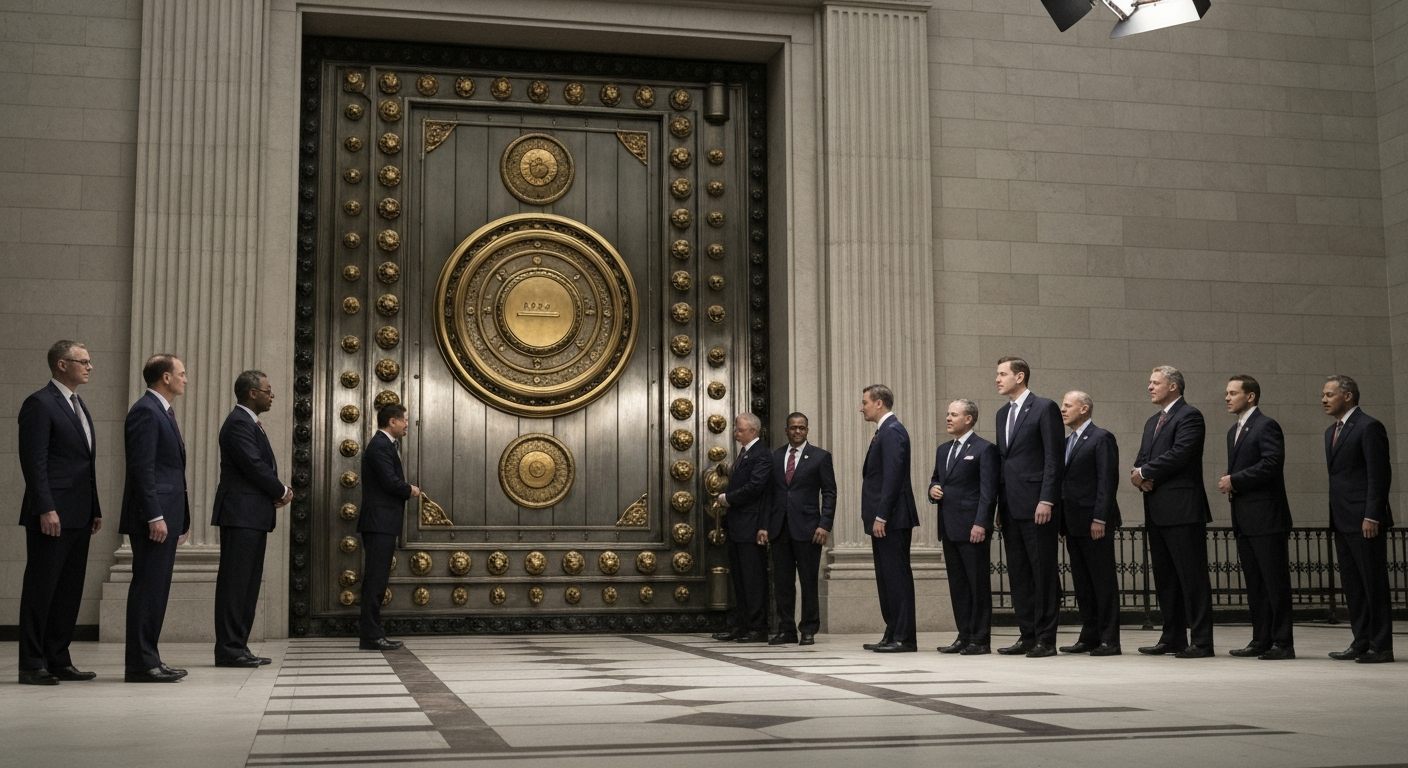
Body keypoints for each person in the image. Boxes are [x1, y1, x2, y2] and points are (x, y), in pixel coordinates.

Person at [16, 341, 102, 685]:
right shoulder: (39, 404)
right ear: (61, 365)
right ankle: (32, 662)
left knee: (68, 591)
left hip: (80, 514)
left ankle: (58, 658)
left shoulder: (78, 405)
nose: (90, 366)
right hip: (51, 515)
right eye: (83, 361)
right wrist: (45, 507)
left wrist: (95, 507)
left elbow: (86, 464)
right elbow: (34, 462)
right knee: (42, 588)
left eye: (90, 361)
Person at [1131, 365, 1214, 658]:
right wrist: (1140, 474)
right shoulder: (1153, 421)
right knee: (1166, 578)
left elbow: (1181, 453)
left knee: (1191, 577)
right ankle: (1172, 636)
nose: (1150, 387)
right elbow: (1143, 457)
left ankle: (1202, 641)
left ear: (1174, 387)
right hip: (1156, 507)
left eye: (1156, 383)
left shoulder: (1189, 416)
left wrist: (1145, 472)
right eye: (1150, 382)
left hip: (1183, 508)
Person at [212, 370, 293, 667]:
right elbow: (253, 465)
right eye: (268, 390)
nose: (272, 396)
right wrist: (282, 490)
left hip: (252, 514)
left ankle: (239, 645)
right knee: (236, 583)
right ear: (252, 393)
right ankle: (229, 648)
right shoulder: (238, 423)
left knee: (247, 584)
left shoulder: (250, 423)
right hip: (240, 514)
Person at [121, 354, 192, 682]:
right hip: (153, 519)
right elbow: (142, 469)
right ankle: (140, 663)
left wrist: (182, 517)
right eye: (181, 373)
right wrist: (155, 515)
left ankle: (149, 658)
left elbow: (170, 471)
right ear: (165, 377)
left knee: (156, 590)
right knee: (148, 589)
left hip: (166, 516)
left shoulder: (162, 411)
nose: (185, 379)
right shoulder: (146, 411)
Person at [1218, 376, 1294, 660]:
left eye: (1233, 393)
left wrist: (1234, 480)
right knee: (1255, 584)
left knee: (1275, 584)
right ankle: (1260, 639)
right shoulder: (1232, 431)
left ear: (1250, 396)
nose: (1227, 397)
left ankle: (1283, 642)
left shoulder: (1266, 425)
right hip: (1245, 518)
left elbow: (1272, 463)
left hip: (1266, 517)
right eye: (1226, 393)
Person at [992, 357, 1063, 658]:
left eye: (1002, 374)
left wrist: (1046, 498)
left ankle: (1046, 639)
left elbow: (1053, 458)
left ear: (1020, 377)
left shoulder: (1044, 408)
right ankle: (1026, 634)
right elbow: (1003, 462)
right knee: (1019, 572)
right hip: (1010, 504)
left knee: (1042, 571)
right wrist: (998, 504)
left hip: (1037, 503)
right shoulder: (1000, 414)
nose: (997, 379)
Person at [1322, 375, 1394, 664]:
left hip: (1364, 521)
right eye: (1323, 395)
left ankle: (1382, 646)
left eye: (1329, 394)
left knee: (1372, 585)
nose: (1324, 399)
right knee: (1353, 586)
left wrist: (1371, 515)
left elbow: (1379, 475)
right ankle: (1360, 640)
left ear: (1348, 395)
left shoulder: (1369, 426)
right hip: (1341, 519)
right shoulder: (1331, 432)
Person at [928, 399, 997, 656]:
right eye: (947, 414)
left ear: (968, 419)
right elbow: (937, 478)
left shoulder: (984, 449)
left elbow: (988, 492)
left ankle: (980, 639)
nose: (948, 418)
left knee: (976, 585)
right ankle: (964, 635)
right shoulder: (943, 449)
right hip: (949, 526)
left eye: (953, 414)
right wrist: (932, 489)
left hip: (972, 528)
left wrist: (981, 523)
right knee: (958, 585)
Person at [1057, 391, 1122, 656]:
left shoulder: (1101, 437)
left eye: (1068, 405)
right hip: (1072, 523)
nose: (1063, 409)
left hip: (1094, 522)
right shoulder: (1065, 442)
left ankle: (1110, 639)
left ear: (1084, 409)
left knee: (1102, 582)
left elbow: (1107, 481)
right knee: (1082, 582)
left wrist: (1099, 518)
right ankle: (1089, 634)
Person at [859, 384, 919, 653]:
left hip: (892, 518)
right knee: (886, 578)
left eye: (865, 402)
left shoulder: (893, 431)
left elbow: (893, 478)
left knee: (896, 577)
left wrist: (882, 515)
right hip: (883, 518)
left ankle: (904, 637)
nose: (862, 407)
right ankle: (892, 631)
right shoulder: (884, 431)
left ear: (879, 403)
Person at [768, 412, 837, 646]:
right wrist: (764, 526)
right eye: (793, 428)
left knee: (808, 581)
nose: (797, 431)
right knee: (783, 583)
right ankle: (786, 628)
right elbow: (768, 495)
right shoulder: (775, 456)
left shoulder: (820, 457)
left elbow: (829, 493)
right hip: (779, 529)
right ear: (786, 430)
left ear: (807, 430)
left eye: (802, 428)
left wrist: (824, 524)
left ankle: (808, 628)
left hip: (809, 529)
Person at [359, 403, 419, 651]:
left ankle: (372, 634)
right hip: (378, 522)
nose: (407, 424)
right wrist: (410, 489)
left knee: (378, 579)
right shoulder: (380, 446)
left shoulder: (386, 445)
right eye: (404, 420)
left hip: (382, 522)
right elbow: (390, 482)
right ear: (392, 421)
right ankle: (371, 636)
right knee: (375, 581)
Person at [712, 413, 774, 643]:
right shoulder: (745, 453)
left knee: (753, 579)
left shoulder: (761, 455)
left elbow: (756, 487)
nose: (736, 433)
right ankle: (743, 624)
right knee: (739, 578)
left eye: (740, 429)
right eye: (737, 429)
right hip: (738, 526)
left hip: (751, 526)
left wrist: (728, 498)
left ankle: (758, 627)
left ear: (753, 431)